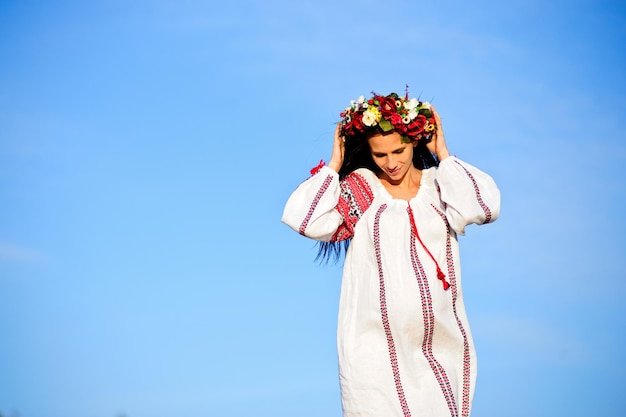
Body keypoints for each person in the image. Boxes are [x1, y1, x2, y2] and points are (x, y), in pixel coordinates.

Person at [281, 91, 500, 417]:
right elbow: (305, 219)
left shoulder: (440, 186)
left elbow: (485, 206)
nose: (392, 162)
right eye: (380, 154)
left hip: (439, 346)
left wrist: (444, 153)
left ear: (415, 141)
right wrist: (335, 164)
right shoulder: (363, 187)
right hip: (375, 353)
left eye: (399, 150)